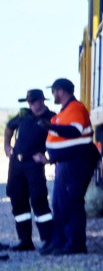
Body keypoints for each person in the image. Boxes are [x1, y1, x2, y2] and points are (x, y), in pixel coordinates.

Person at [42, 78, 99, 256]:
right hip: (66, 163)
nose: (53, 95)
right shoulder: (63, 112)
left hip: (77, 162)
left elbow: (75, 131)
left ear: (61, 91)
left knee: (71, 202)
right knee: (59, 203)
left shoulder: (76, 108)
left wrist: (52, 127)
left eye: (54, 91)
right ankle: (59, 241)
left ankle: (75, 244)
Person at [4, 89, 53, 251]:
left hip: (34, 165)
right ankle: (25, 241)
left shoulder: (51, 118)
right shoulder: (23, 116)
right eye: (30, 102)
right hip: (16, 164)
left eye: (35, 101)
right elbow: (9, 128)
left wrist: (48, 158)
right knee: (17, 200)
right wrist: (7, 145)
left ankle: (48, 240)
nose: (33, 105)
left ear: (42, 100)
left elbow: (59, 139)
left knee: (39, 200)